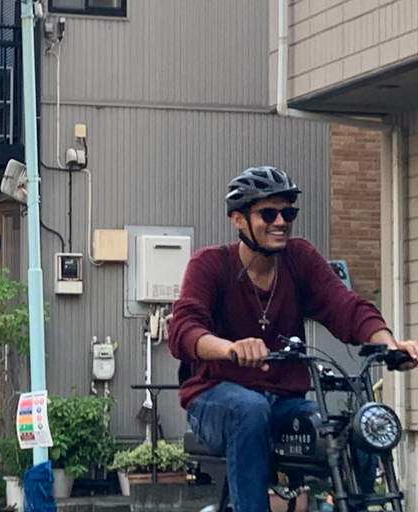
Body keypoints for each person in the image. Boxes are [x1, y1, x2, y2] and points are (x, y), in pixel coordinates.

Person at [168, 166, 418, 512]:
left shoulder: (299, 258)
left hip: (284, 402)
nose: (281, 221)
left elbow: (345, 305)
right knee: (249, 409)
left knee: (348, 427)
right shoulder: (211, 264)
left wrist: (388, 344)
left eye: (288, 212)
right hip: (214, 398)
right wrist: (230, 348)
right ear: (238, 220)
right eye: (268, 213)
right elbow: (184, 329)